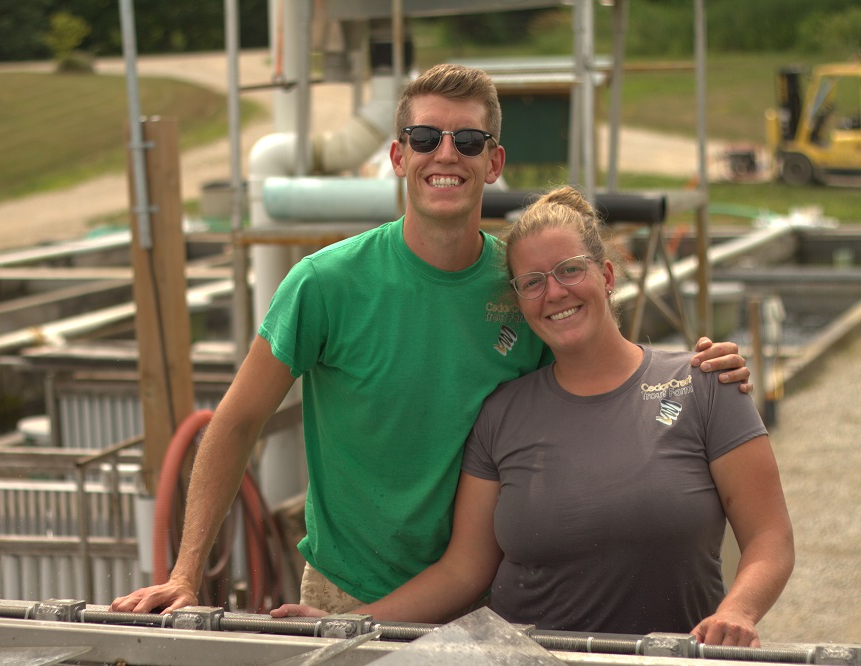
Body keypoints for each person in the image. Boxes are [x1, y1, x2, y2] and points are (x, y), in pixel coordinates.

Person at [111, 64, 751, 616]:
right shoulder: (325, 284)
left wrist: (700, 374)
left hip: (491, 594)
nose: (446, 154)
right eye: (425, 137)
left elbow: (605, 378)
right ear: (398, 156)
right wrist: (186, 574)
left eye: (468, 140)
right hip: (347, 592)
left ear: (494, 162)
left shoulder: (524, 288)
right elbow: (237, 420)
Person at [272, 185, 794, 647]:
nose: (555, 293)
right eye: (533, 282)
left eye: (570, 270)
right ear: (519, 301)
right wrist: (353, 623)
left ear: (607, 275)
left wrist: (738, 612)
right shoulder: (502, 413)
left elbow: (770, 539)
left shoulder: (704, 384)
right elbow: (463, 570)